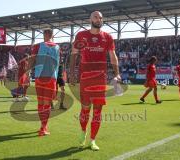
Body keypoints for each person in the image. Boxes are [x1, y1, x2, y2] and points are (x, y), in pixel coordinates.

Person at [70, 11, 120, 151]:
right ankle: (83, 131)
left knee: (98, 111)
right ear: (90, 19)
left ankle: (93, 140)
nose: (99, 19)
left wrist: (117, 74)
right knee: (85, 109)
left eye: (101, 18)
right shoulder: (81, 35)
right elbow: (74, 54)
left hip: (100, 78)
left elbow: (113, 55)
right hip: (85, 77)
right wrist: (72, 73)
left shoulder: (107, 37)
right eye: (96, 17)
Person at [31, 29, 60, 136]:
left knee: (40, 103)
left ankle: (43, 126)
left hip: (39, 77)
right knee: (47, 104)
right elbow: (57, 64)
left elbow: (32, 59)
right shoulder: (57, 47)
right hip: (51, 77)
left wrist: (27, 73)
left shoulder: (37, 46)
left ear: (44, 35)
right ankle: (43, 128)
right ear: (52, 35)